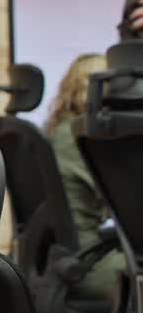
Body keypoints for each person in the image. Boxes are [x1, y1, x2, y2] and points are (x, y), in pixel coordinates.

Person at [45, 53, 123, 300]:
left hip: (73, 257)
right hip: (88, 263)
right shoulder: (78, 139)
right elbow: (122, 202)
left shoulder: (61, 131)